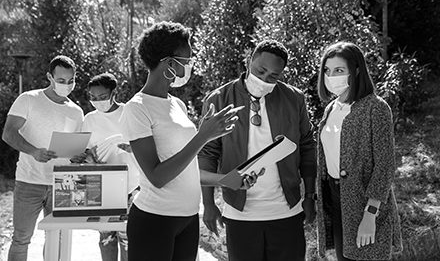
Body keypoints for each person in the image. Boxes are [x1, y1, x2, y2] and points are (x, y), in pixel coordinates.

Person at [119, 21, 251, 261]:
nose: (190, 66)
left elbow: (185, 167)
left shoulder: (176, 104)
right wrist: (202, 136)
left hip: (188, 219)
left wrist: (225, 180)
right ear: (168, 63)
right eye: (187, 60)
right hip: (154, 220)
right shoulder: (136, 109)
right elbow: (157, 177)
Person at [199, 39, 317, 261]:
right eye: (260, 70)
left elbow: (307, 147)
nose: (264, 79)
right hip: (240, 213)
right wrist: (208, 203)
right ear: (248, 61)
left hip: (287, 212)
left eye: (273, 76)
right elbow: (207, 153)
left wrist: (310, 195)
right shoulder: (219, 99)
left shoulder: (294, 98)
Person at [315, 41, 403, 260]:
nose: (330, 76)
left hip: (366, 202)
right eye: (327, 70)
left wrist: (370, 214)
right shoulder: (331, 108)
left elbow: (385, 164)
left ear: (355, 70)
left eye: (338, 70)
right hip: (336, 198)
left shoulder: (376, 107)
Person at [2, 55, 85, 261]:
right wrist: (33, 151)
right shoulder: (28, 99)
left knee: (58, 240)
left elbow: (74, 149)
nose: (67, 85)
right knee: (21, 238)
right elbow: (9, 133)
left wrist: (77, 157)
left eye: (71, 81)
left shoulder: (77, 112)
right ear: (49, 76)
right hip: (29, 181)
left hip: (63, 185)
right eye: (61, 81)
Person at [81, 72, 140, 261]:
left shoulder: (129, 113)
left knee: (130, 238)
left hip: (132, 184)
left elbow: (146, 146)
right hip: (102, 187)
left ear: (114, 93)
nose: (98, 101)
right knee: (106, 237)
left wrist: (132, 149)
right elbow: (86, 151)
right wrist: (89, 159)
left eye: (103, 97)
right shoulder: (89, 119)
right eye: (93, 98)